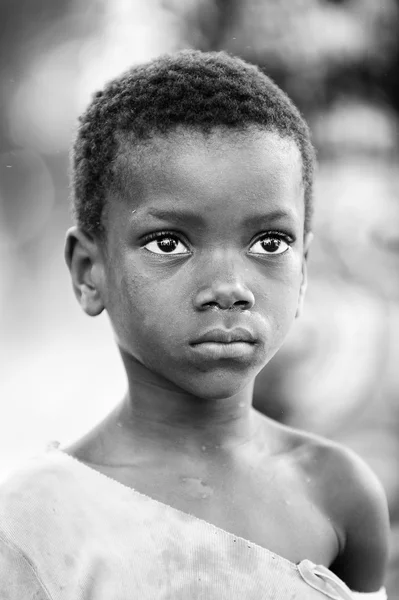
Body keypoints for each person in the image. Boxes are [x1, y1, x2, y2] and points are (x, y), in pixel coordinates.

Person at [0, 50, 389, 599]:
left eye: (269, 243)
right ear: (91, 273)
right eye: (170, 243)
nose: (230, 286)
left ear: (303, 273)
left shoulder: (337, 491)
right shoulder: (33, 521)